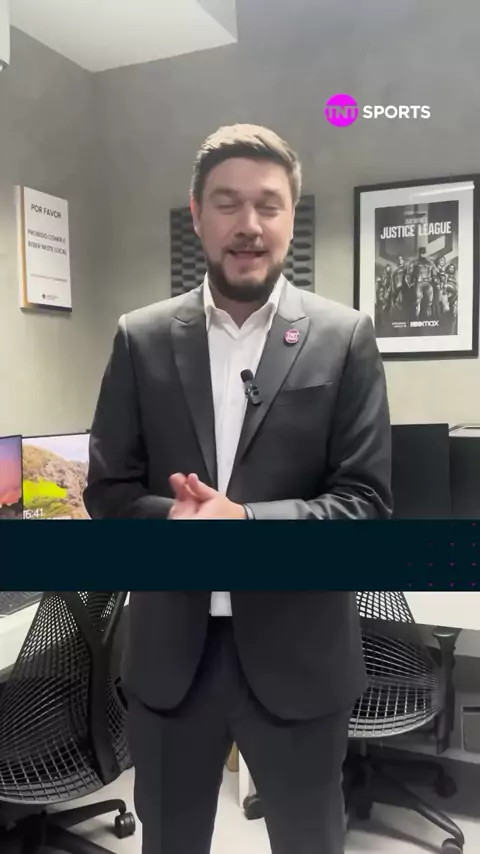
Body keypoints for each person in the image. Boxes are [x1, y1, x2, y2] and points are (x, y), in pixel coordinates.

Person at [84, 123, 393, 854]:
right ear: (197, 214)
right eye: (227, 203)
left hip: (300, 660)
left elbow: (366, 506)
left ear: (290, 216)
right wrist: (177, 521)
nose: (248, 224)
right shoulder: (140, 337)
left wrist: (245, 522)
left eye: (268, 204)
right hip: (171, 662)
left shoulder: (344, 337)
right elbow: (108, 492)